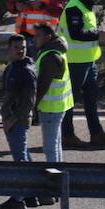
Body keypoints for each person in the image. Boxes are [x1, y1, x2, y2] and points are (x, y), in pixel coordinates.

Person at [57, 0, 105, 149]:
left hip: (88, 61)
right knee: (69, 101)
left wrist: (97, 33)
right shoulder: (74, 7)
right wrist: (97, 35)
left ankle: (96, 133)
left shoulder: (85, 7)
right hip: (74, 62)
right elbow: (76, 34)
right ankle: (67, 135)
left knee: (91, 99)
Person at [0, 35, 39, 209]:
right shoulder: (12, 68)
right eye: (17, 47)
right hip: (11, 119)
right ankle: (30, 194)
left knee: (19, 160)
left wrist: (12, 120)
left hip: (18, 121)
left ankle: (18, 198)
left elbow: (29, 102)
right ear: (9, 49)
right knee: (24, 157)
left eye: (23, 47)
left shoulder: (26, 71)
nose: (20, 50)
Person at [30, 22, 71, 178]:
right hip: (57, 106)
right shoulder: (54, 51)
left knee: (50, 148)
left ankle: (55, 183)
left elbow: (42, 86)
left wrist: (33, 106)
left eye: (38, 36)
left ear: (48, 37)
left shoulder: (50, 56)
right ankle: (60, 180)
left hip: (50, 107)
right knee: (55, 145)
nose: (34, 39)